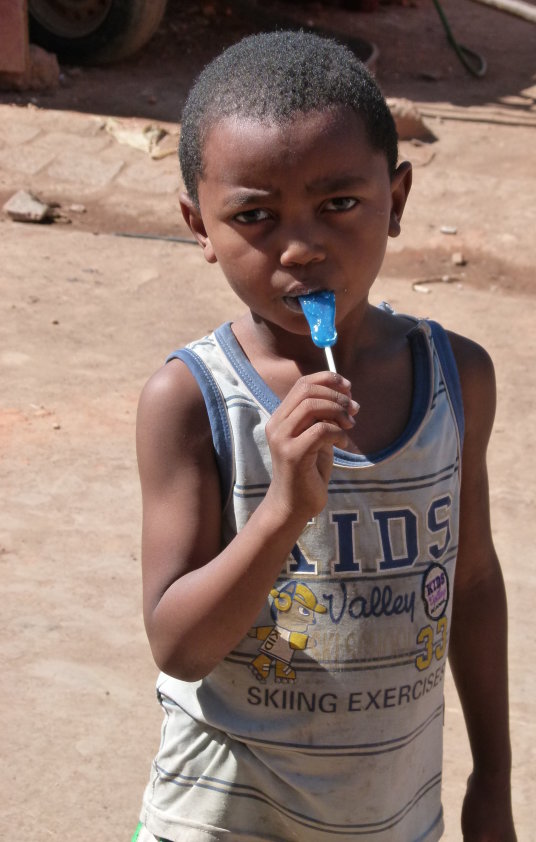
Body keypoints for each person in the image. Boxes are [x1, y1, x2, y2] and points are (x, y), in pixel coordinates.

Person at [133, 30, 516, 842]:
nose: (302, 247)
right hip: (221, 817)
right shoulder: (190, 399)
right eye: (255, 217)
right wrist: (281, 511)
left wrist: (495, 782)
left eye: (340, 204)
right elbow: (178, 645)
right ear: (200, 226)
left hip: (390, 816)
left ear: (398, 200)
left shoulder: (457, 379)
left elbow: (472, 585)